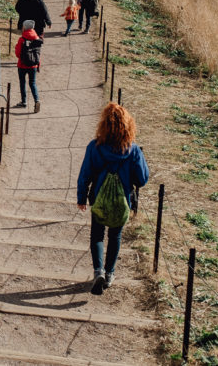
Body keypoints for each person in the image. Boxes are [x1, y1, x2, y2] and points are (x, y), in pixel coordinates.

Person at [77, 103, 150, 295]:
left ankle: (98, 270)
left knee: (97, 235)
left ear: (104, 125)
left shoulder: (95, 147)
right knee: (115, 236)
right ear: (127, 125)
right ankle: (110, 273)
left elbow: (85, 174)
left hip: (98, 198)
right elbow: (142, 179)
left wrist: (81, 197)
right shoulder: (133, 150)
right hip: (122, 199)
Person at [14, 19, 42, 112]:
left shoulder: (22, 39)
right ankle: (36, 100)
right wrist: (38, 65)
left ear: (24, 28)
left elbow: (18, 54)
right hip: (33, 65)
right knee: (32, 83)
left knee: (22, 83)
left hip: (22, 65)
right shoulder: (37, 39)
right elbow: (38, 53)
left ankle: (24, 101)